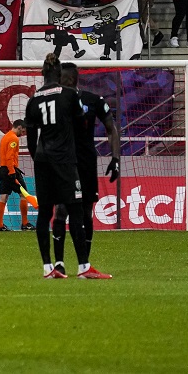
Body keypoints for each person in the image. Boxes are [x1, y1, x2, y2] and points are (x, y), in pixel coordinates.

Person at [25, 54, 109, 280]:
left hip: (42, 161)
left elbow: (31, 139)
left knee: (45, 213)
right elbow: (81, 122)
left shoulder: (33, 100)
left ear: (43, 74)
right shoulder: (69, 95)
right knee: (75, 211)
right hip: (65, 160)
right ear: (59, 74)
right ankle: (83, 267)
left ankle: (48, 268)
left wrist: (38, 159)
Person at [49, 63, 120, 278]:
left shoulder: (94, 101)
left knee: (86, 214)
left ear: (71, 79)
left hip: (86, 163)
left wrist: (115, 158)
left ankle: (84, 266)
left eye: (63, 79)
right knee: (62, 210)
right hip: (63, 163)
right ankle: (59, 265)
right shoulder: (52, 103)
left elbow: (111, 129)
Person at [0, 119, 35, 232]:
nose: (22, 134)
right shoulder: (13, 138)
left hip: (2, 170)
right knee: (24, 194)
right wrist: (12, 172)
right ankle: (25, 223)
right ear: (18, 127)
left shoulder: (5, 137)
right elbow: (9, 157)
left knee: (4, 196)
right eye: (22, 131)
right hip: (10, 170)